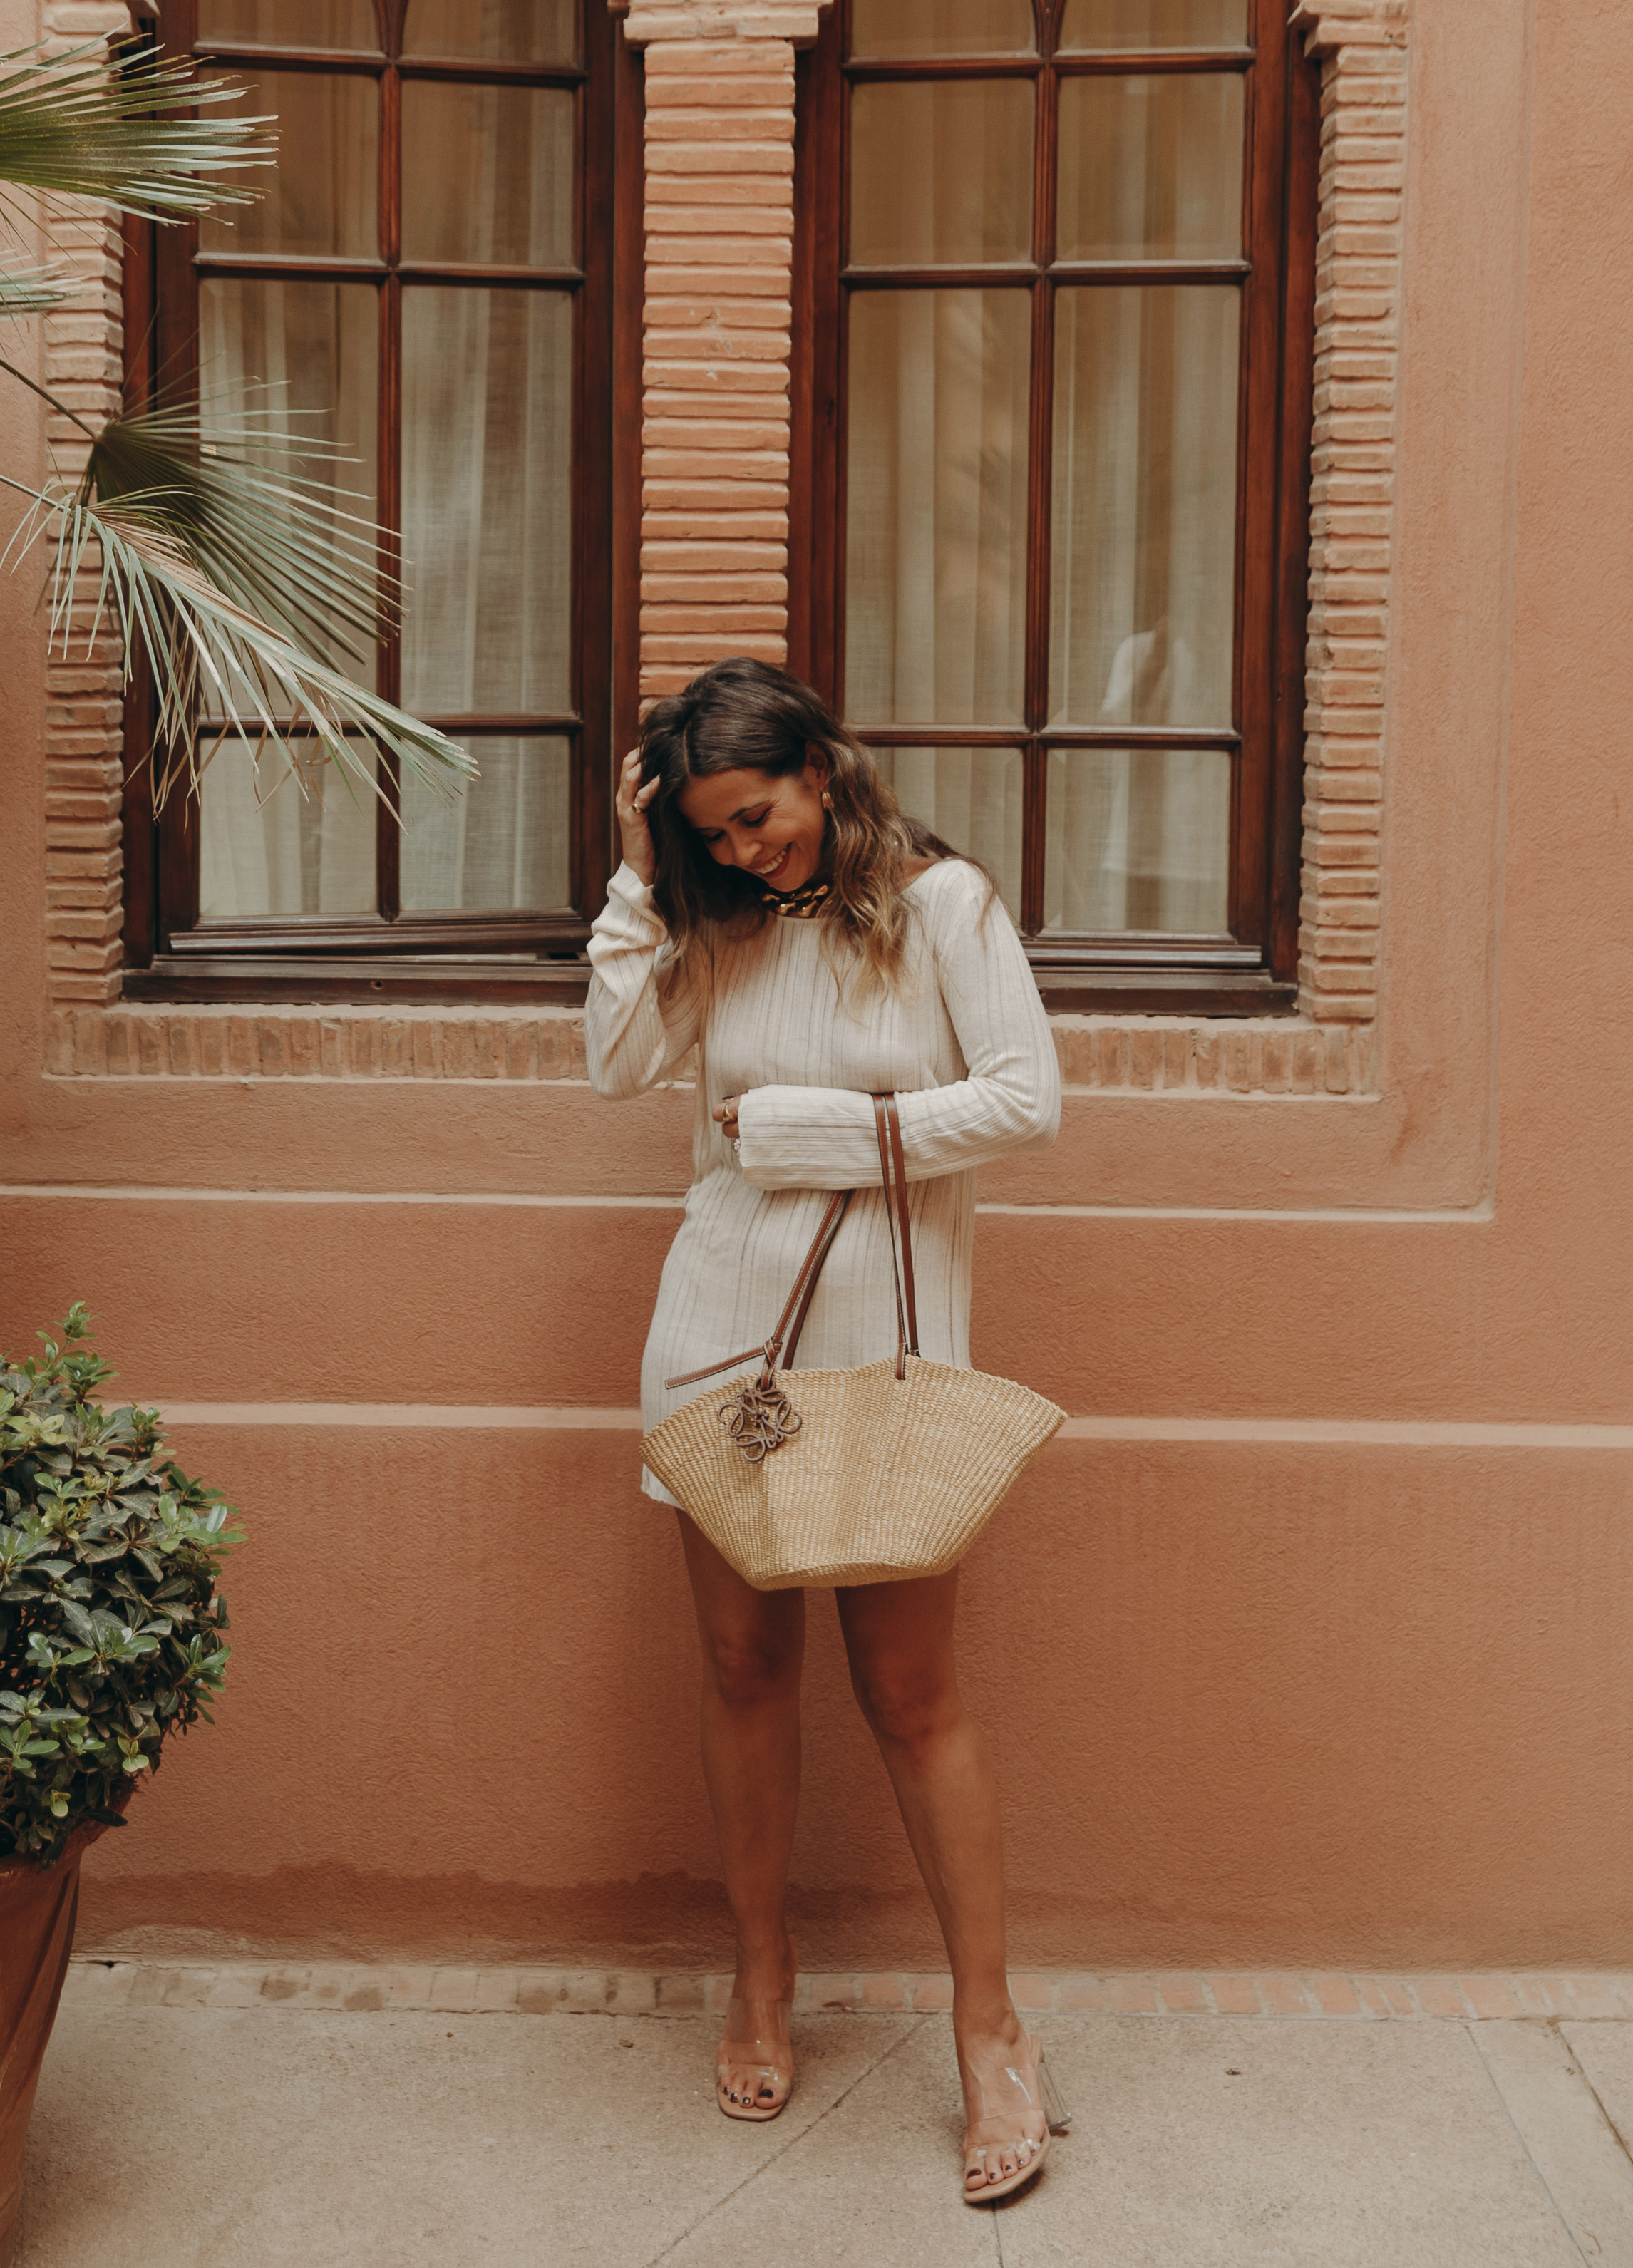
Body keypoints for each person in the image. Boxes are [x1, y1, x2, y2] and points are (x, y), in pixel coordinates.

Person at [583, 657, 1065, 2207]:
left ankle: (989, 2030)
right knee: (742, 1670)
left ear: (821, 767)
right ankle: (762, 1977)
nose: (746, 851)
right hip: (717, 1341)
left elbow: (1025, 1099)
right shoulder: (706, 923)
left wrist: (815, 1133)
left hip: (892, 1358)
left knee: (915, 1696)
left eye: (759, 815)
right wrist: (639, 878)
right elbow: (615, 1065)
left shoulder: (942, 910)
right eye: (712, 833)